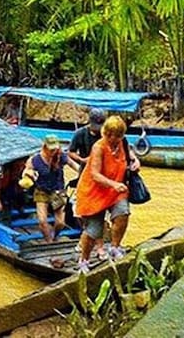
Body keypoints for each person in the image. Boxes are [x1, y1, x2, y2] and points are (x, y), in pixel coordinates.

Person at [75, 115, 141, 273]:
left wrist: (136, 162)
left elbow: (132, 158)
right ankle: (83, 259)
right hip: (94, 191)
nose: (113, 138)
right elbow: (95, 174)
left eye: (117, 135)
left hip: (116, 190)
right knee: (94, 230)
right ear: (105, 133)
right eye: (110, 135)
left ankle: (114, 247)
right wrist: (113, 184)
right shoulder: (99, 147)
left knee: (123, 212)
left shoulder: (123, 144)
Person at [68, 107, 108, 259]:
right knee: (80, 212)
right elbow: (71, 152)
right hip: (85, 177)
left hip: (103, 178)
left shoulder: (105, 135)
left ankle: (100, 247)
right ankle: (84, 238)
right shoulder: (80, 134)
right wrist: (82, 160)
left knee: (100, 214)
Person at [24, 135, 79, 243]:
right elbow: (26, 172)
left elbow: (74, 165)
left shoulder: (61, 156)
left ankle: (54, 235)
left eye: (55, 149)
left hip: (58, 191)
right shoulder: (35, 160)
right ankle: (49, 241)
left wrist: (83, 174)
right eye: (51, 149)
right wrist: (29, 175)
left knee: (60, 223)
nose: (53, 151)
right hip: (42, 191)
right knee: (42, 220)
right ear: (45, 147)